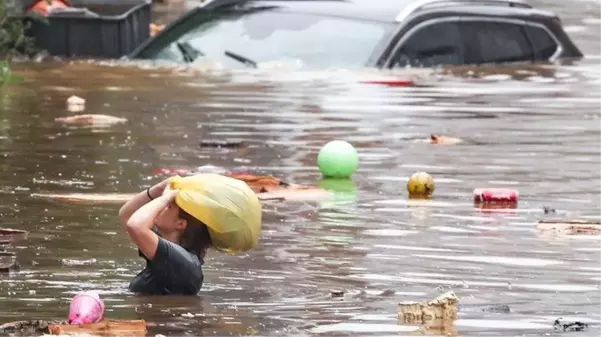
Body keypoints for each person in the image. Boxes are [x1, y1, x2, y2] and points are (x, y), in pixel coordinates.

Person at [118, 177, 212, 295]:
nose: (160, 207)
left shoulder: (183, 262)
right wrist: (157, 189)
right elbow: (127, 216)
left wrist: (166, 198)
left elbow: (135, 225)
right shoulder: (169, 247)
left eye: (168, 206)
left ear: (180, 224)